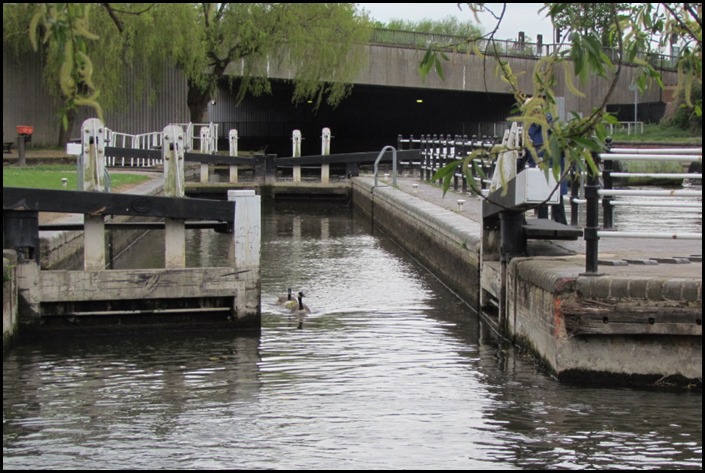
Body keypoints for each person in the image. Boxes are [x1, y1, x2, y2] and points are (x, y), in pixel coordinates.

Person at [524, 106, 567, 225]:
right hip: (548, 168)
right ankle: (557, 225)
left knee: (551, 199)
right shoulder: (551, 127)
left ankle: (553, 225)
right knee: (550, 199)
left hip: (549, 167)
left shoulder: (537, 128)